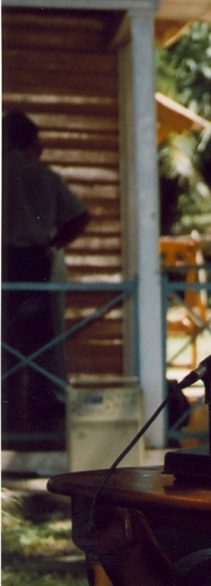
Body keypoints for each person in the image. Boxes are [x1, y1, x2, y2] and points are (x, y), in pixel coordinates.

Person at [2, 110, 90, 434]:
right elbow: (80, 216)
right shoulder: (45, 176)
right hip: (36, 262)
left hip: (7, 263)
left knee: (7, 342)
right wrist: (54, 242)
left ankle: (8, 420)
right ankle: (41, 421)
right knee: (41, 343)